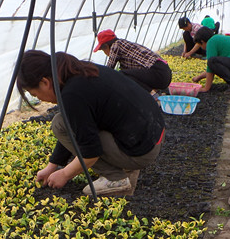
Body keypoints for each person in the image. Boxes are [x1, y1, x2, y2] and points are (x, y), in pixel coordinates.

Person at [16, 50, 165, 197]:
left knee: (59, 124)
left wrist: (65, 174)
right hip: (151, 136)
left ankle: (115, 179)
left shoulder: (72, 94)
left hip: (142, 150)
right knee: (62, 122)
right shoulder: (78, 71)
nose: (40, 99)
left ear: (44, 82)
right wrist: (52, 166)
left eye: (35, 94)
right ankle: (124, 164)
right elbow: (76, 125)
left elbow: (90, 152)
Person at [94, 29, 172, 94]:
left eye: (103, 50)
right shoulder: (125, 47)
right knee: (126, 75)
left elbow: (109, 70)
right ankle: (159, 92)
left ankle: (152, 95)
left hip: (158, 72)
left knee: (121, 75)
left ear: (106, 46)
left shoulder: (116, 45)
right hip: (165, 74)